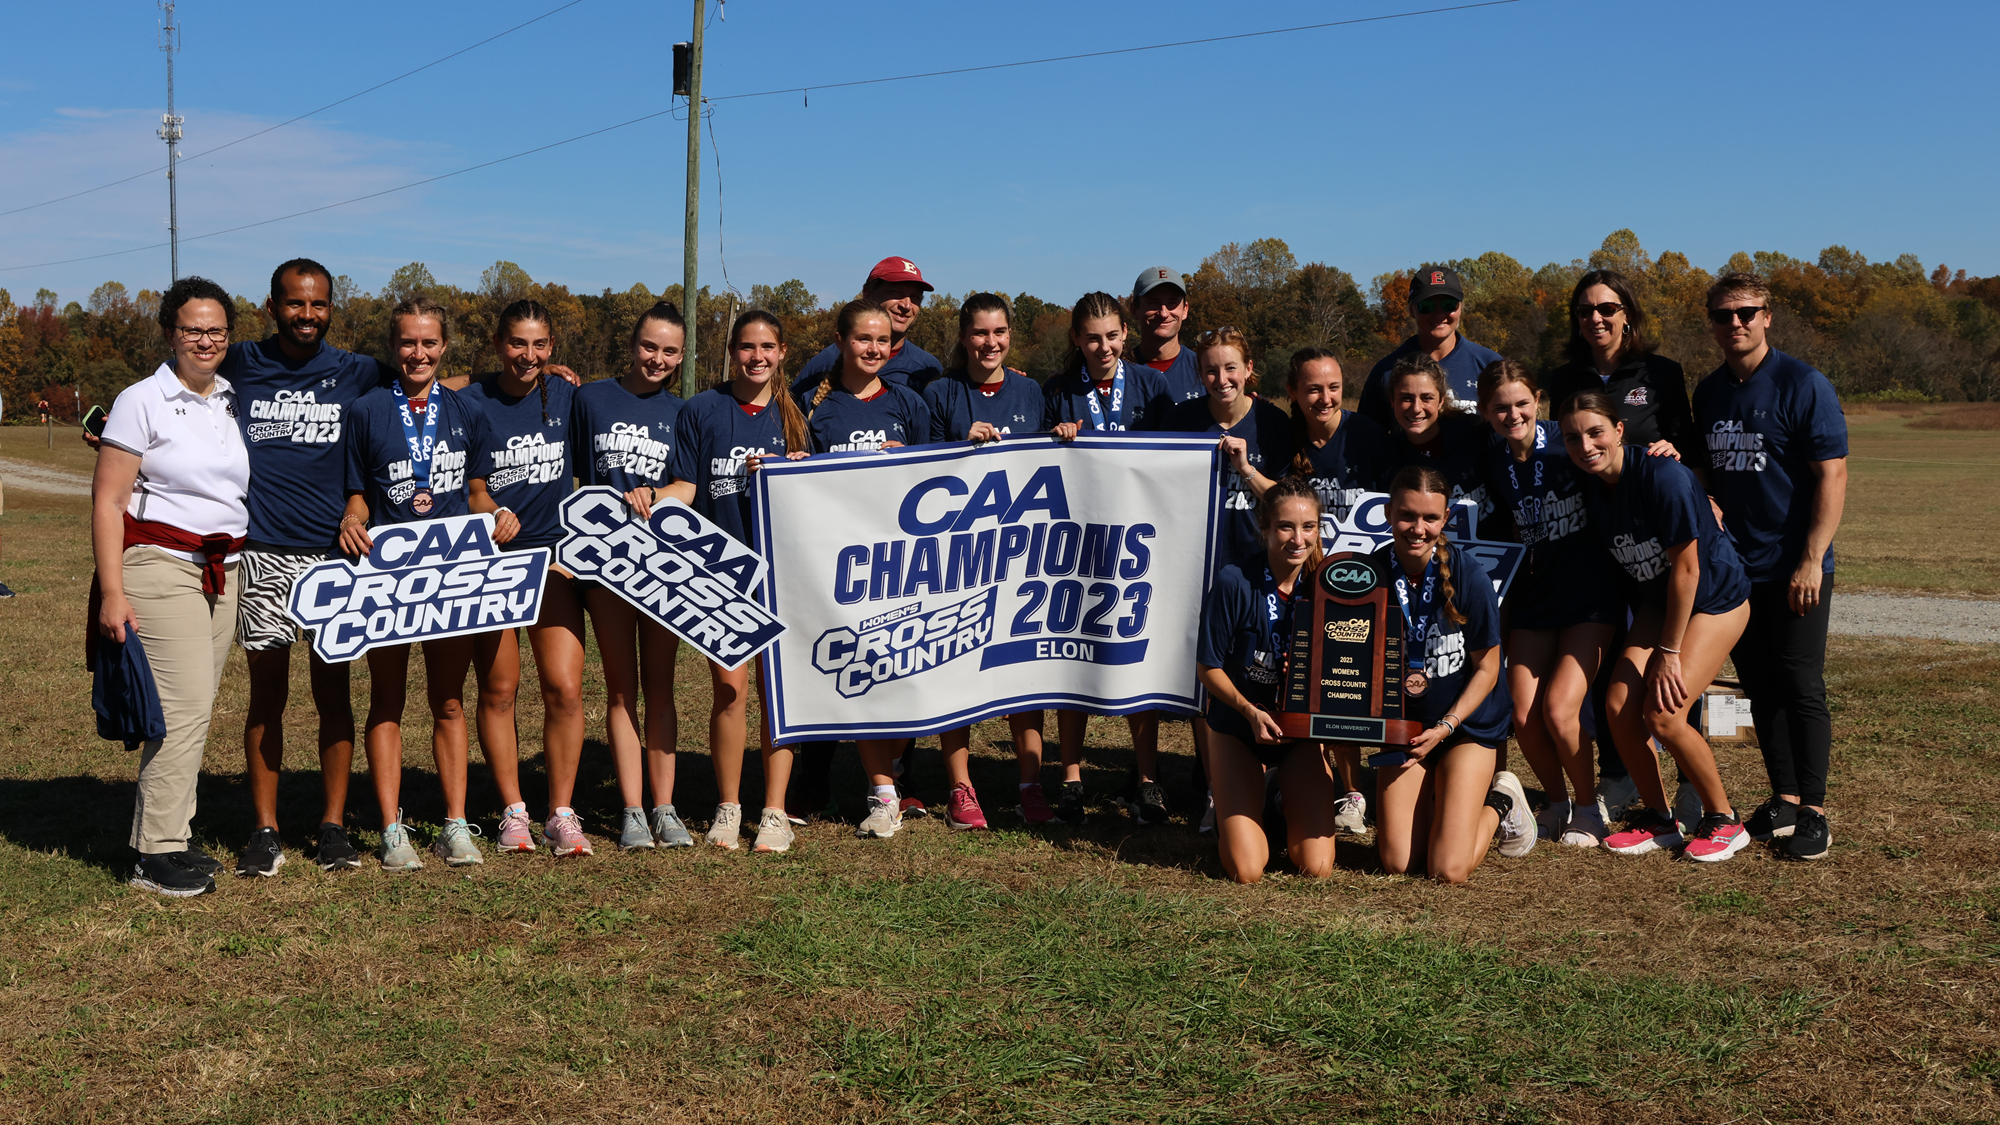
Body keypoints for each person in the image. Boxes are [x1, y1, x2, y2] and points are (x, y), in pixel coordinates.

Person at [228, 259, 391, 877]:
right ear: (271, 305)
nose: (307, 315)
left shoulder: (357, 371)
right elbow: (175, 386)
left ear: (331, 309)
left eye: (318, 304)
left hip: (335, 555)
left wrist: (528, 377)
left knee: (333, 691)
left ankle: (332, 826)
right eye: (295, 304)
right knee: (267, 693)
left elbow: (424, 376)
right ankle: (265, 829)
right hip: (264, 551)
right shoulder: (241, 361)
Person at [92, 276, 249, 896]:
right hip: (161, 566)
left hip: (224, 570)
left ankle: (174, 839)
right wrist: (112, 591)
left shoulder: (232, 397)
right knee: (180, 712)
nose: (205, 340)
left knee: (197, 708)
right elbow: (107, 502)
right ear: (169, 333)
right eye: (192, 329)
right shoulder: (141, 400)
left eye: (216, 330)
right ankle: (153, 855)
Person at [1691, 272, 1849, 861]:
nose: (1735, 323)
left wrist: (1811, 559)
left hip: (1796, 566)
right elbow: (1708, 473)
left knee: (1800, 682)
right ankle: (1782, 796)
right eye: (1723, 315)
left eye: (1746, 312)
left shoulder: (1802, 382)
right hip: (1739, 568)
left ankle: (1814, 810)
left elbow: (1832, 474)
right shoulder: (1708, 393)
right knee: (1758, 687)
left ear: (1767, 316)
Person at [1561, 391, 1754, 862]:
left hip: (1713, 599)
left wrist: (1668, 653)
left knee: (1664, 714)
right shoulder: (1590, 481)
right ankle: (1659, 818)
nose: (1585, 445)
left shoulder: (1662, 476)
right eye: (1572, 437)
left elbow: (1688, 572)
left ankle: (1724, 820)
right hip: (1660, 599)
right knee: (1619, 705)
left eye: (1596, 431)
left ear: (1621, 429)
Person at [336, 296, 489, 869]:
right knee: (387, 699)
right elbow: (356, 490)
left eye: (429, 343)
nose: (418, 352)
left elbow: (476, 489)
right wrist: (353, 517)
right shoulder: (366, 410)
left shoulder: (467, 410)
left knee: (449, 700)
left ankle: (455, 823)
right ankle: (392, 827)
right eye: (407, 342)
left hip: (450, 573)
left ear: (444, 347)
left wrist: (494, 513)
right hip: (388, 575)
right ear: (393, 346)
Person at [1543, 269, 1697, 823]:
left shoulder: (1660, 373)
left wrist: (1672, 448)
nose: (1596, 319)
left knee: (1670, 662)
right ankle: (1619, 775)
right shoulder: (1562, 378)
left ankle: (1688, 783)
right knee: (1613, 667)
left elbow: (1688, 445)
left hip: (1653, 535)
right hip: (1597, 537)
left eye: (1607, 308)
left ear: (1627, 312)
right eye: (1585, 311)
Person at [661, 309, 811, 854]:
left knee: (778, 695)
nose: (757, 357)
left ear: (782, 352)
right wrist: (644, 503)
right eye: (747, 347)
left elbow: (821, 499)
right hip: (721, 572)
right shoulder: (703, 408)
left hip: (785, 575)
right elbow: (686, 486)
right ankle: (729, 805)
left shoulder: (796, 417)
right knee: (729, 687)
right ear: (731, 352)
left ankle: (774, 810)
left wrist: (796, 471)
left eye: (767, 347)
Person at [1039, 291, 1172, 824]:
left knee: (1139, 652)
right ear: (1076, 339)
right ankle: (1070, 778)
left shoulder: (1152, 385)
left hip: (1141, 540)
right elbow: (1036, 465)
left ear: (1125, 334)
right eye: (1092, 338)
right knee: (1075, 653)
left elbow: (1173, 457)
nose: (1103, 346)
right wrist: (1057, 439)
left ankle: (1147, 780)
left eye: (1113, 335)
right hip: (1078, 541)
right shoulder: (1057, 391)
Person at [1476, 360, 1622, 846]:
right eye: (1500, 407)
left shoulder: (1568, 444)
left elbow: (1620, 464)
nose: (1512, 414)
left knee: (1560, 710)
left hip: (1587, 596)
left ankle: (1588, 806)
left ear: (1537, 400)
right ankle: (1557, 802)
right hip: (1536, 598)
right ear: (1485, 412)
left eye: (1521, 403)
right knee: (1521, 713)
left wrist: (1667, 457)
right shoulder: (1494, 459)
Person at [462, 301, 589, 856]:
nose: (528, 356)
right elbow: (473, 487)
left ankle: (561, 813)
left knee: (564, 688)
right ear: (497, 343)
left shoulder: (566, 393)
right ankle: (514, 811)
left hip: (556, 562)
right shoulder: (470, 401)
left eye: (539, 346)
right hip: (495, 564)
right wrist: (491, 511)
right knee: (499, 689)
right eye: (517, 343)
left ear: (553, 346)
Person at [922, 292, 1050, 827]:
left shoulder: (1031, 391)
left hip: (1020, 555)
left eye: (999, 332)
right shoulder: (941, 393)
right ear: (962, 336)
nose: (990, 342)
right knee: (958, 667)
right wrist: (958, 443)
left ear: (1010, 336)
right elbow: (916, 469)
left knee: (1024, 668)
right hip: (958, 556)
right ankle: (961, 788)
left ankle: (1030, 785)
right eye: (979, 332)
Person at [1159, 327, 1294, 832]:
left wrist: (1246, 469)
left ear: (1249, 369)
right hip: (1201, 569)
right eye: (1211, 369)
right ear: (1199, 373)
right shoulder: (1181, 421)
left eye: (1230, 367)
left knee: (1265, 670)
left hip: (1262, 572)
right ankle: (1219, 790)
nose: (1222, 378)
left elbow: (1290, 505)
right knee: (1209, 680)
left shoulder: (1272, 423)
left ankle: (1273, 778)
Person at [572, 301, 696, 851]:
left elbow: (687, 485)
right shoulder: (591, 398)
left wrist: (656, 495)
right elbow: (571, 473)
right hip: (606, 563)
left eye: (670, 351)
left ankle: (665, 807)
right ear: (632, 343)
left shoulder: (683, 410)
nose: (658, 359)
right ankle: (630, 811)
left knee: (661, 687)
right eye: (650, 346)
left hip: (663, 565)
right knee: (622, 688)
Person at [1371, 465, 1531, 883]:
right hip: (1405, 730)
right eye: (1407, 516)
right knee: (1399, 863)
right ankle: (1439, 804)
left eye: (1429, 518)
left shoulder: (1469, 575)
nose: (1417, 528)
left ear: (1445, 520)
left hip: (1465, 728)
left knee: (1448, 869)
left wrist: (1445, 726)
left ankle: (1500, 803)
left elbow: (1488, 667)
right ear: (1389, 513)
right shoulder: (1369, 575)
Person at [1195, 476, 1346, 884]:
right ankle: (1247, 790)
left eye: (1309, 527)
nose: (1299, 538)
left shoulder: (1330, 586)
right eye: (1286, 526)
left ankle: (1279, 793)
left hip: (1299, 734)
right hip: (1239, 731)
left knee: (1315, 866)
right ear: (1263, 527)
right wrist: (1249, 712)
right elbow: (1207, 668)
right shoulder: (1234, 581)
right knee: (1247, 869)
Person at [1282, 347, 1396, 834]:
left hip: (1359, 584)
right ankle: (1316, 781)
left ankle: (1356, 790)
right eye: (1312, 388)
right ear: (1293, 393)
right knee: (1304, 681)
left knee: (1351, 683)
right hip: (1303, 577)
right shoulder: (1282, 437)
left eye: (1333, 387)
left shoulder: (1368, 435)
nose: (1324, 397)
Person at [1358, 266, 1503, 429]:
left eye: (1449, 304)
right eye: (1427, 305)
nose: (1440, 314)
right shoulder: (1386, 371)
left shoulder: (1490, 366)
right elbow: (1367, 442)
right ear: (1412, 310)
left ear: (1461, 307)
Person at [788, 257, 945, 399]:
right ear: (868, 294)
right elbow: (789, 417)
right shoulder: (828, 361)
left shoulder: (927, 368)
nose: (906, 305)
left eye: (915, 297)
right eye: (896, 293)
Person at [1384, 355, 1499, 530]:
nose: (1416, 408)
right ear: (1392, 401)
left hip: (1491, 548)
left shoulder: (1473, 432)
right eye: (1406, 398)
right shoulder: (1388, 455)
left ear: (1441, 400)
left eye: (1427, 398)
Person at [1129, 267, 1205, 405]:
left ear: (1185, 310)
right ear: (1134, 310)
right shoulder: (1118, 370)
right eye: (1153, 303)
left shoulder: (1204, 369)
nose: (1163, 313)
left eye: (1172, 303)